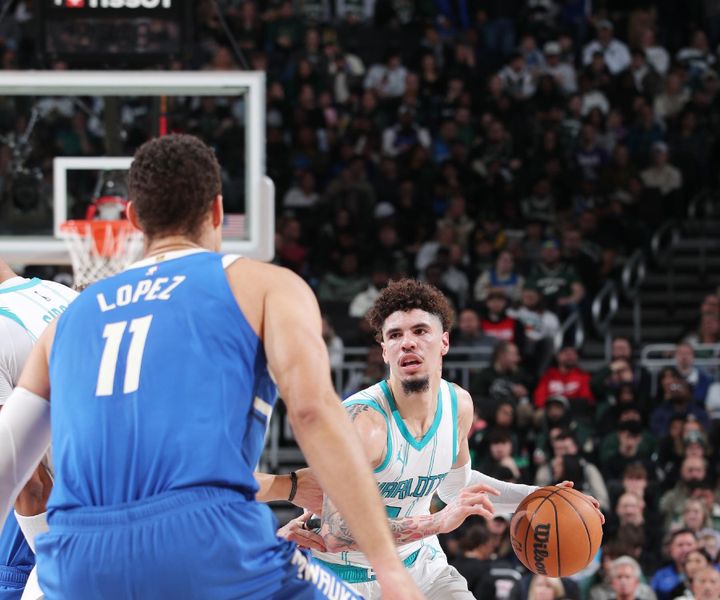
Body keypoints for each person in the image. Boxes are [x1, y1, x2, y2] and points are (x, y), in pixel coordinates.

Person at [0, 134, 424, 600]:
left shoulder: (70, 318)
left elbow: (10, 456)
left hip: (75, 559)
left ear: (134, 219)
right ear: (219, 211)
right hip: (205, 541)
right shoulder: (265, 285)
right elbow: (311, 413)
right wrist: (390, 568)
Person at [312, 279, 604, 599]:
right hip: (346, 576)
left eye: (420, 331)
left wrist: (538, 495)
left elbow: (456, 488)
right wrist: (437, 523)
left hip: (421, 565)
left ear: (444, 343)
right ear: (384, 351)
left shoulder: (458, 405)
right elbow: (336, 533)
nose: (407, 342)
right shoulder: (362, 422)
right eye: (395, 335)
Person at [0, 261, 78, 600]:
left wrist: (56, 574)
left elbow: (27, 482)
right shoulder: (67, 296)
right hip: (115, 505)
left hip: (44, 536)